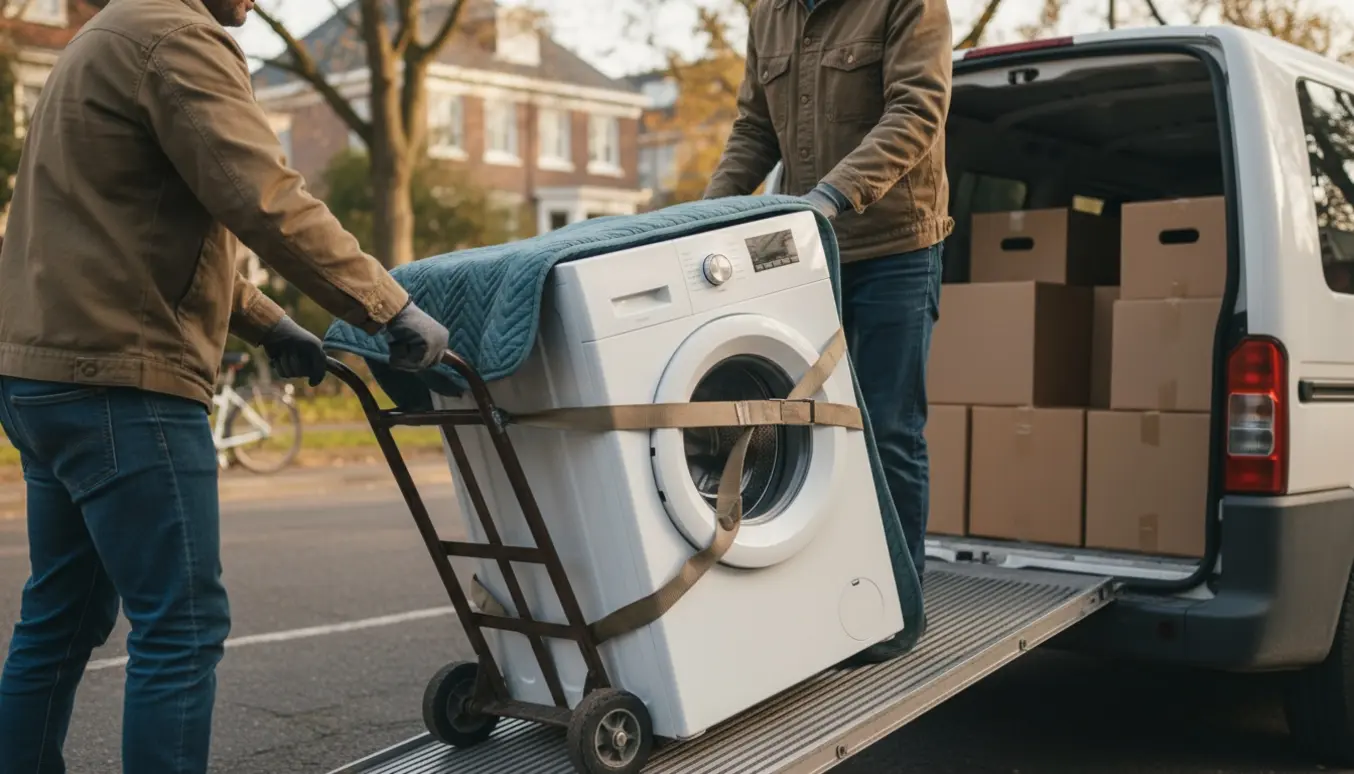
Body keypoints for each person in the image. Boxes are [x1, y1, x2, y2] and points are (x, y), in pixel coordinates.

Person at [0, 0, 450, 771]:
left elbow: (140, 228)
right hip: (125, 382)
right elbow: (263, 197)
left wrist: (273, 324)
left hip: (43, 375)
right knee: (181, 629)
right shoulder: (177, 38)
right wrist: (388, 307)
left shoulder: (101, 38)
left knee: (62, 618)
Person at [704, 0, 953, 662]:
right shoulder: (770, 16)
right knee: (811, 427)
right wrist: (699, 220)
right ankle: (824, 592)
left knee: (889, 428)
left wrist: (830, 197)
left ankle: (900, 604)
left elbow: (916, 112)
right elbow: (754, 130)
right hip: (808, 250)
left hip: (896, 245)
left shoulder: (910, 4)